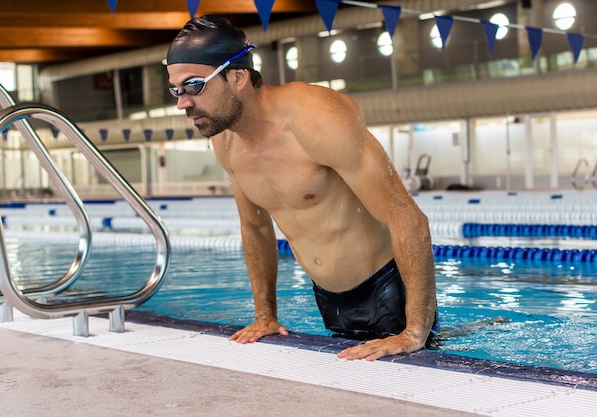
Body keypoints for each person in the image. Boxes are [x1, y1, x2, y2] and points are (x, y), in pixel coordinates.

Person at [166, 15, 439, 361]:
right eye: (175, 89)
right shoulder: (226, 141)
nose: (182, 102)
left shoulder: (315, 116)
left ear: (238, 77)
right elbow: (255, 227)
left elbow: (408, 218)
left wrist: (414, 332)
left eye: (194, 85)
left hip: (388, 290)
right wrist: (265, 315)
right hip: (327, 299)